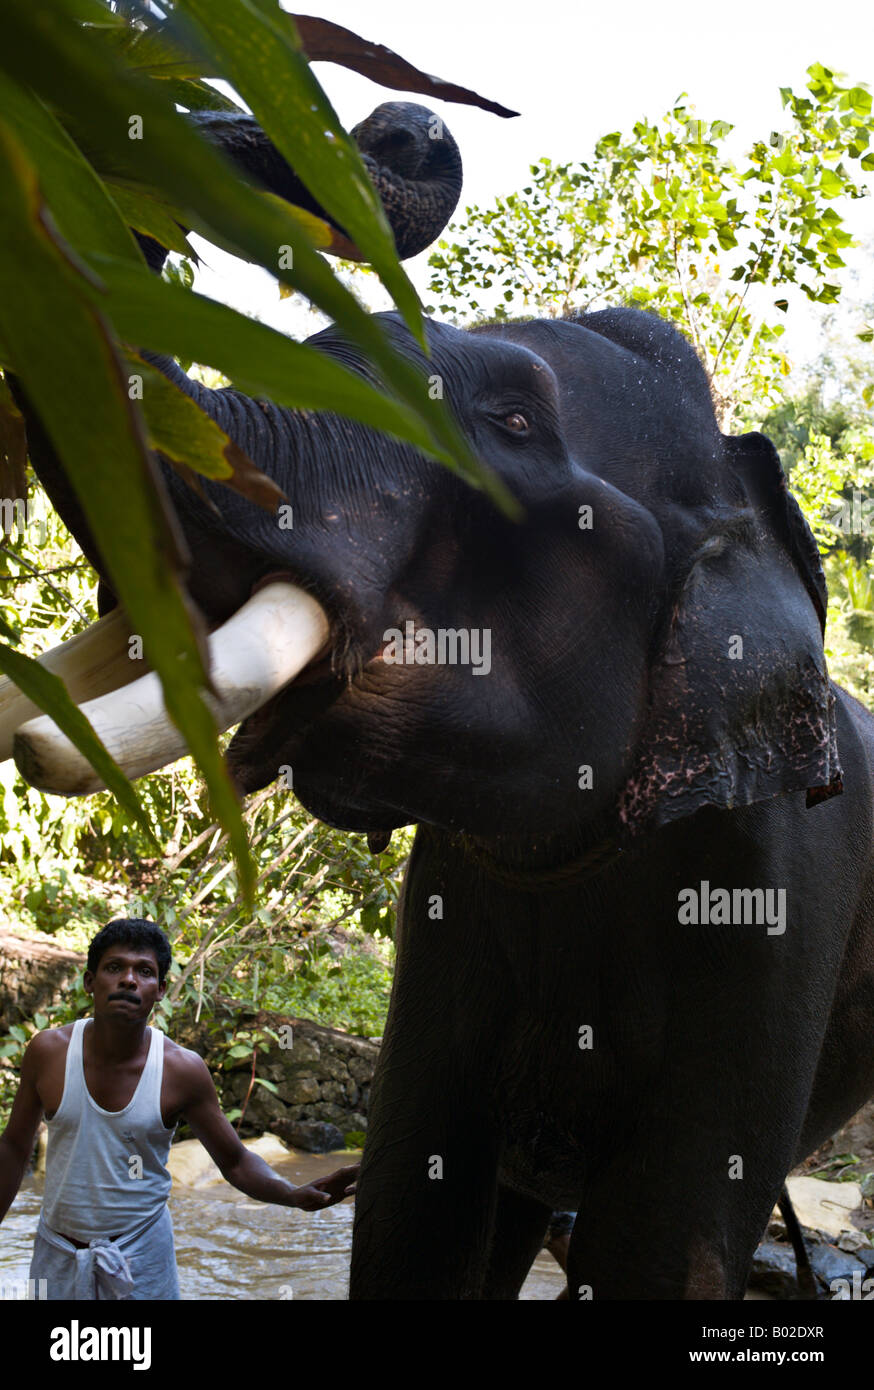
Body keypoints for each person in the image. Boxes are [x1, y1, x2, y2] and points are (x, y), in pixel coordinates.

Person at [0, 918, 358, 1300]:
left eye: (144, 971)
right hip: (57, 1254)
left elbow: (234, 1161)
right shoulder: (49, 1052)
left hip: (141, 1256)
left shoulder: (180, 1070)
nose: (128, 980)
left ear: (161, 990)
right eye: (114, 968)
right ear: (90, 981)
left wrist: (292, 1193)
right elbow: (14, 1148)